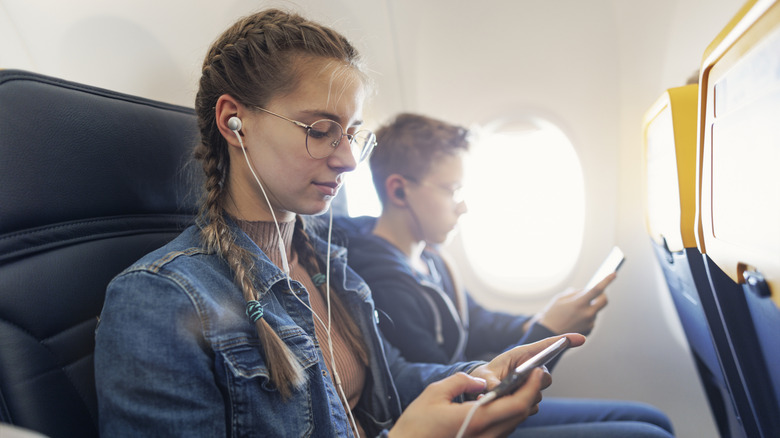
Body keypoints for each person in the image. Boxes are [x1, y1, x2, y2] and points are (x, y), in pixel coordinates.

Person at [93, 9, 587, 438]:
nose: (349, 161)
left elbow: (390, 380)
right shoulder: (159, 300)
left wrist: (481, 373)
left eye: (352, 134)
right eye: (322, 131)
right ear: (233, 122)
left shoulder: (327, 261)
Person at [335, 113, 676, 437]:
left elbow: (478, 322)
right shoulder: (381, 283)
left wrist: (546, 320)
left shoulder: (431, 259)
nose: (463, 206)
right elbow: (454, 396)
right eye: (452, 189)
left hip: (472, 402)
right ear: (398, 191)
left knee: (653, 418)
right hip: (458, 419)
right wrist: (550, 331)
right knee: (648, 433)